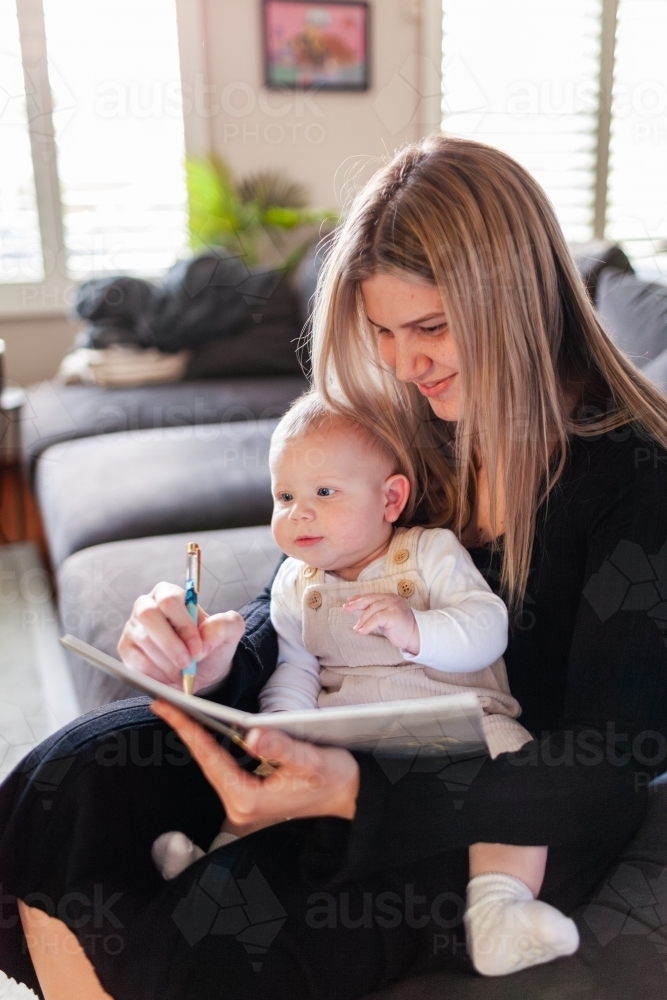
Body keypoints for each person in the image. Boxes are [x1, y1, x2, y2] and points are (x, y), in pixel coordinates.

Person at [2, 133, 667, 1000]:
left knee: (214, 934)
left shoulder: (635, 475)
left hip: (505, 804)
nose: (402, 363)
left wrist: (358, 796)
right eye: (384, 331)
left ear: (519, 299)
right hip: (352, 721)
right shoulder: (423, 427)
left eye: (429, 327)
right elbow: (327, 577)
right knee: (63, 786)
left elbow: (611, 758)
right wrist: (214, 653)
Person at [153, 390, 578, 977]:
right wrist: (283, 728)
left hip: (462, 720)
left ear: (390, 498)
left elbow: (488, 629)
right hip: (351, 733)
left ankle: (499, 909)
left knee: (518, 769)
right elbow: (295, 670)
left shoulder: (429, 552)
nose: (299, 512)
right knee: (273, 778)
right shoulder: (294, 585)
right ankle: (211, 869)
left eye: (324, 493)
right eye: (285, 496)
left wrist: (415, 628)